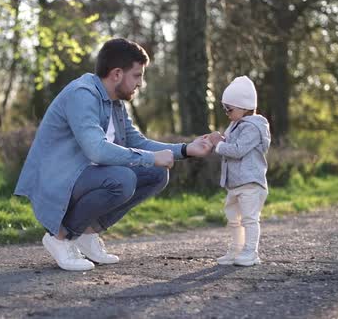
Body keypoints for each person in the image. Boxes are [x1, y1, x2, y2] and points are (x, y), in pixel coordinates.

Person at [15, 38, 213, 271]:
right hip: (58, 179)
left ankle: (87, 234)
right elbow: (97, 150)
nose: (141, 83)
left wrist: (186, 149)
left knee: (157, 174)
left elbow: (136, 142)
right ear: (117, 74)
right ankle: (60, 237)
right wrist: (150, 157)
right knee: (123, 179)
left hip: (84, 177)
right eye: (137, 75)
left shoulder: (114, 102)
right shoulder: (82, 94)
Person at [206, 76, 271, 266]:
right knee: (233, 218)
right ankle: (236, 249)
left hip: (250, 183)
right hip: (234, 183)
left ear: (244, 107)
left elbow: (237, 150)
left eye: (229, 109)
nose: (226, 113)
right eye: (225, 109)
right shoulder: (236, 124)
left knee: (250, 219)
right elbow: (229, 144)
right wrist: (216, 139)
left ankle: (251, 252)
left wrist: (219, 144)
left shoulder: (253, 127)